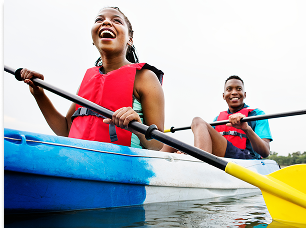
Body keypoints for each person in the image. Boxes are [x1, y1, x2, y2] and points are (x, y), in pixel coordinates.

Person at [19, 7, 165, 150]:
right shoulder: (89, 79)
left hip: (123, 167)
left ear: (130, 40)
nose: (106, 22)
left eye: (117, 21)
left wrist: (138, 128)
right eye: (99, 19)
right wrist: (39, 94)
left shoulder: (145, 77)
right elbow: (65, 130)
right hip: (79, 162)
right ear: (93, 39)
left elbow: (157, 144)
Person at [162, 75, 272, 159]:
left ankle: (197, 166)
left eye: (238, 89)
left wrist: (247, 129)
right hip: (222, 158)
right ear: (224, 96)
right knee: (170, 145)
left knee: (197, 121)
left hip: (246, 160)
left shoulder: (257, 114)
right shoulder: (218, 119)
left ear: (245, 94)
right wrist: (188, 153)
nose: (234, 92)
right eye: (229, 89)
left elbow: (265, 152)